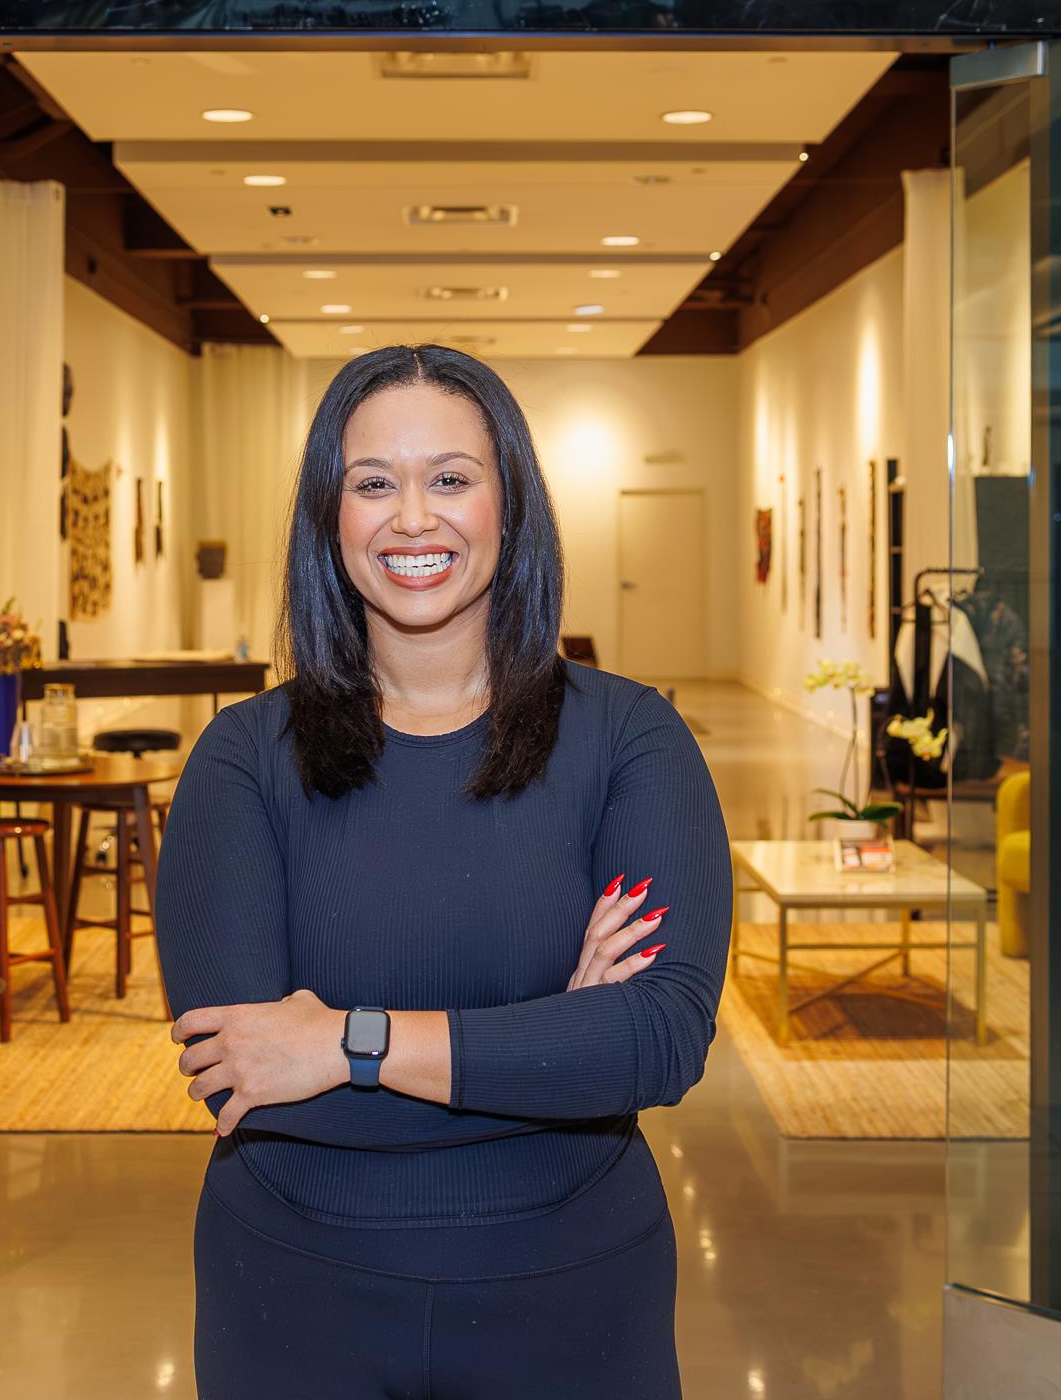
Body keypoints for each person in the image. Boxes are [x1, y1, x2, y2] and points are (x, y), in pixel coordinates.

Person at [159, 344, 729, 1399]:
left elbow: (658, 1040)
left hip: (573, 1299)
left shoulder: (632, 738)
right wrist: (553, 1035)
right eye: (373, 481)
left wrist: (343, 1037)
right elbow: (249, 1081)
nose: (412, 516)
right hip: (292, 1294)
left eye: (451, 477)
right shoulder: (243, 757)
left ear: (510, 504)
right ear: (329, 517)